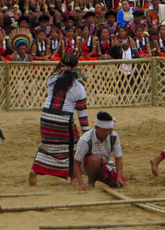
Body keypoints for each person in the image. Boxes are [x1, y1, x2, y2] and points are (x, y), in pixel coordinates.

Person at [29, 53, 89, 185]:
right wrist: (86, 130)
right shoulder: (79, 87)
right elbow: (82, 111)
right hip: (63, 119)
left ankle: (35, 170)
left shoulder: (51, 79)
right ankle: (73, 177)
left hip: (46, 118)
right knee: (73, 146)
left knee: (47, 145)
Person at [72, 111, 126, 191]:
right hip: (88, 165)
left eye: (109, 130)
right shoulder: (86, 139)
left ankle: (101, 176)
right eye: (104, 130)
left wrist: (118, 178)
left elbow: (118, 158)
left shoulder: (114, 136)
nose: (107, 133)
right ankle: (91, 181)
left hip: (106, 164)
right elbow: (76, 163)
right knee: (95, 159)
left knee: (117, 183)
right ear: (96, 128)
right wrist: (81, 183)